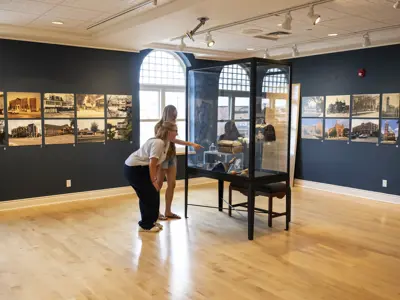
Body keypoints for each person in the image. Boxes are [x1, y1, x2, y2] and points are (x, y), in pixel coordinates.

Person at [124, 121, 178, 232]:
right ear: (168, 132)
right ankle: (145, 225)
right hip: (134, 169)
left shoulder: (166, 143)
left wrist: (156, 180)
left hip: (142, 168)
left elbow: (158, 163)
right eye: (175, 131)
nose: (177, 134)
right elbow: (152, 163)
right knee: (147, 195)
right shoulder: (158, 143)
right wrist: (153, 180)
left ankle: (151, 222)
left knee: (153, 193)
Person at [154, 105, 203, 220]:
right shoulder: (159, 126)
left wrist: (191, 144)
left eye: (176, 114)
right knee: (158, 185)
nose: (175, 116)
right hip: (162, 158)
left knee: (172, 184)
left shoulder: (173, 125)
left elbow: (174, 139)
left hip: (171, 157)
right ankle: (155, 212)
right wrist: (191, 144)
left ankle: (168, 211)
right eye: (173, 114)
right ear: (168, 113)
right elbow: (172, 140)